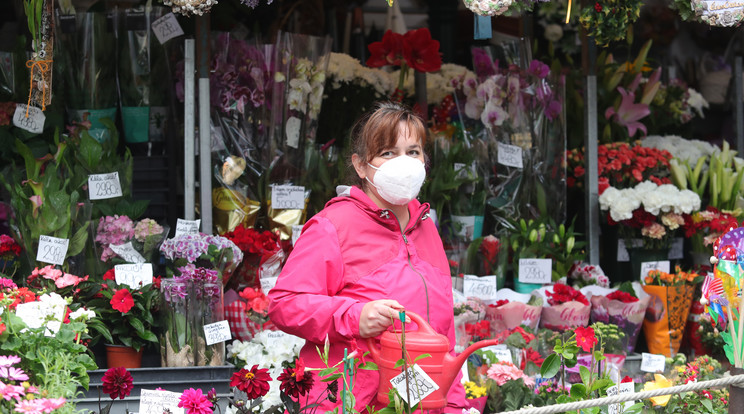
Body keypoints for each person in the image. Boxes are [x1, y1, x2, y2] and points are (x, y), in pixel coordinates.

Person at [268, 102, 467, 412]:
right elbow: (284, 304)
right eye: (388, 153)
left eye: (413, 152)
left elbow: (443, 334)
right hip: (349, 402)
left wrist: (453, 404)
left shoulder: (426, 226)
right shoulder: (333, 225)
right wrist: (354, 316)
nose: (404, 162)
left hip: (417, 403)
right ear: (360, 166)